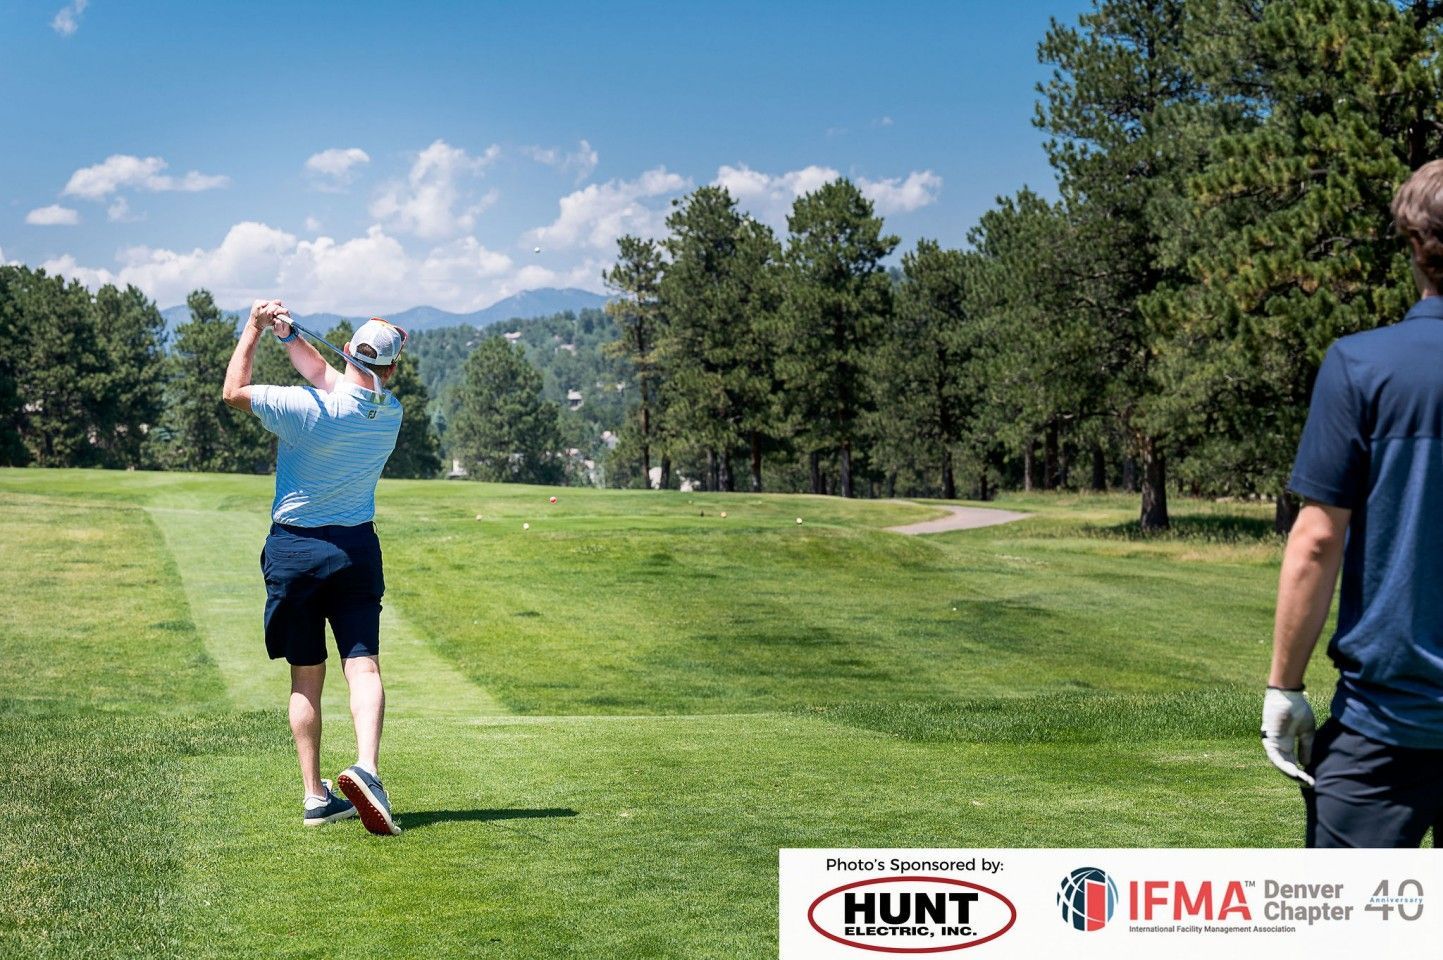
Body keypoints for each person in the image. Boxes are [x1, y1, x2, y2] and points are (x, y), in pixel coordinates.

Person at [1262, 160, 1443, 847]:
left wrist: (1283, 687)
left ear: (1411, 244)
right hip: (1382, 725)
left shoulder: (1360, 365)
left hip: (1382, 732)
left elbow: (1315, 539)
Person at [222, 298, 408, 836]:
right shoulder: (388, 412)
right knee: (363, 665)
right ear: (390, 370)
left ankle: (314, 796)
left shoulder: (306, 409)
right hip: (354, 550)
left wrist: (254, 330)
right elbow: (330, 377)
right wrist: (288, 336)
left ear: (348, 351)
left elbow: (234, 392)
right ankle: (367, 771)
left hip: (295, 552)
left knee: (306, 677)